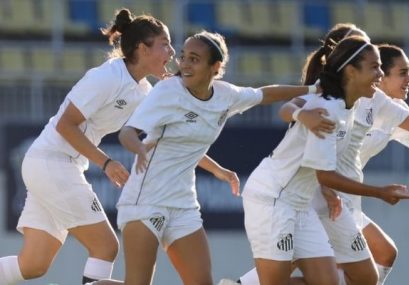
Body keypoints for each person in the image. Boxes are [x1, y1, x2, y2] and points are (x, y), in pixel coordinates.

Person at [89, 30, 324, 285]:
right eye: (183, 57)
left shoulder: (226, 95)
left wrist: (313, 89)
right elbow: (127, 133)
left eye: (194, 59)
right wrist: (139, 148)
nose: (185, 64)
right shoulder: (168, 91)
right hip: (144, 201)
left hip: (183, 204)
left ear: (216, 67)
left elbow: (264, 94)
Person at [281, 43, 409, 285]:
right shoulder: (351, 102)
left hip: (344, 198)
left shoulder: (389, 109)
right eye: (402, 72)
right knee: (322, 269)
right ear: (380, 77)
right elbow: (305, 129)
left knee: (381, 255)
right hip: (323, 194)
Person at [0, 8, 176, 285]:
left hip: (52, 167)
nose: (172, 52)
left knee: (33, 264)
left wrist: (177, 93)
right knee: (106, 247)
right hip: (52, 163)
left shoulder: (144, 90)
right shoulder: (106, 76)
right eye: (165, 44)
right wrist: (106, 162)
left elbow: (158, 128)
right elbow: (65, 125)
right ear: (142, 48)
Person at [241, 35, 409, 285]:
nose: (380, 74)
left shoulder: (349, 106)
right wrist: (379, 192)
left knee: (355, 279)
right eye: (374, 67)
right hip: (273, 200)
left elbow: (289, 111)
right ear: (351, 72)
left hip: (300, 205)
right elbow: (325, 175)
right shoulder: (329, 110)